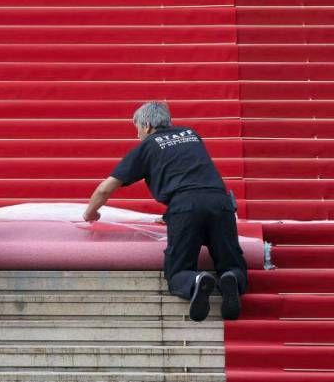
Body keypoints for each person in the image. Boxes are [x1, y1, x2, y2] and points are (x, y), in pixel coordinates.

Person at [83, 102, 247, 322]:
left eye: (138, 129)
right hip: (220, 201)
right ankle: (231, 279)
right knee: (232, 262)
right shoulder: (191, 134)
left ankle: (195, 281)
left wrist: (90, 214)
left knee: (178, 271)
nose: (138, 135)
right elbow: (189, 172)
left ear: (148, 125)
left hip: (184, 207)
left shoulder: (147, 146)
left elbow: (105, 188)